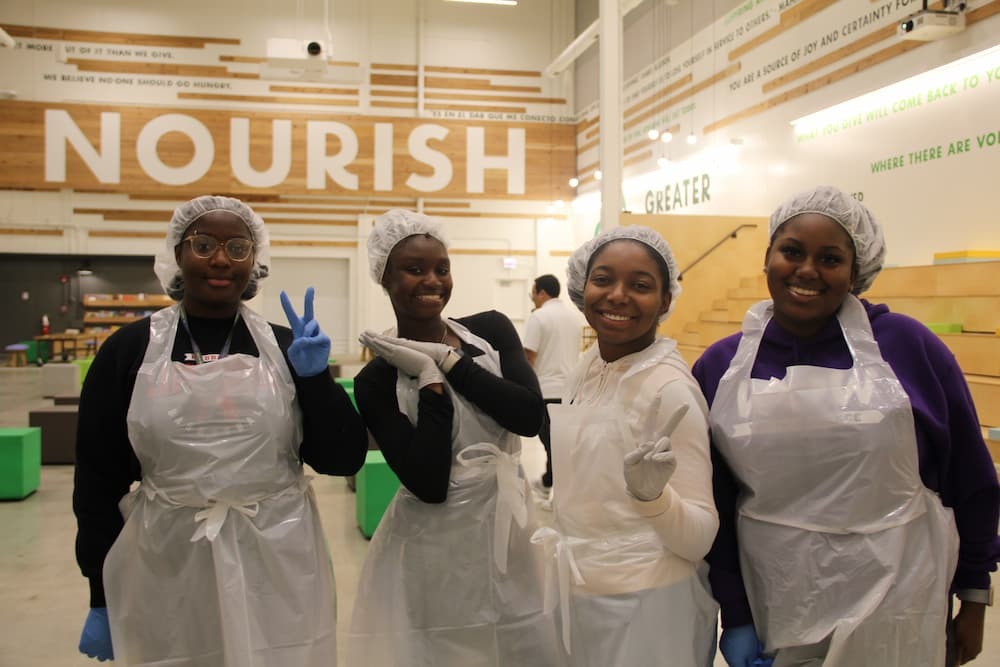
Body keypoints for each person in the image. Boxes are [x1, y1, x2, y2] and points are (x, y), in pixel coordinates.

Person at [692, 186, 1000, 667]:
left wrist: (975, 596)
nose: (807, 270)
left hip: (898, 597)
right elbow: (715, 499)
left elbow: (971, 477)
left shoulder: (908, 347)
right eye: (791, 251)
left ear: (856, 273)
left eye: (830, 258)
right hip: (777, 596)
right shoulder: (722, 365)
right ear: (768, 256)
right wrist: (735, 614)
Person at [73, 195, 368, 666]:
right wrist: (99, 593)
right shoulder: (128, 351)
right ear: (178, 253)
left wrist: (315, 380)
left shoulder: (287, 347)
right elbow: (97, 480)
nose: (219, 259)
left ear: (255, 262)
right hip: (169, 559)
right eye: (204, 243)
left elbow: (342, 458)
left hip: (277, 557)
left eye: (237, 247)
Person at [347, 209, 560, 666]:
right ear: (384, 277)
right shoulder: (376, 380)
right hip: (434, 546)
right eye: (415, 269)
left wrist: (447, 361)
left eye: (442, 269)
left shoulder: (489, 329)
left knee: (521, 636)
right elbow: (428, 482)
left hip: (509, 527)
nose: (433, 280)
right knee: (445, 646)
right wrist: (428, 383)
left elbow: (527, 416)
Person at [534, 225, 719, 666]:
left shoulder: (669, 389)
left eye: (640, 286)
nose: (617, 296)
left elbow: (700, 538)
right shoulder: (590, 365)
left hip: (649, 607)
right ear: (583, 287)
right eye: (603, 280)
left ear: (666, 300)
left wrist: (653, 498)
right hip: (581, 592)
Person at [522, 274, 584, 497]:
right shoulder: (574, 318)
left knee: (551, 444)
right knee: (561, 444)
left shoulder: (539, 317)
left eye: (533, 291)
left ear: (542, 293)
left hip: (546, 390)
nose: (532, 296)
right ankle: (551, 483)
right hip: (570, 391)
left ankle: (556, 489)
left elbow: (528, 357)